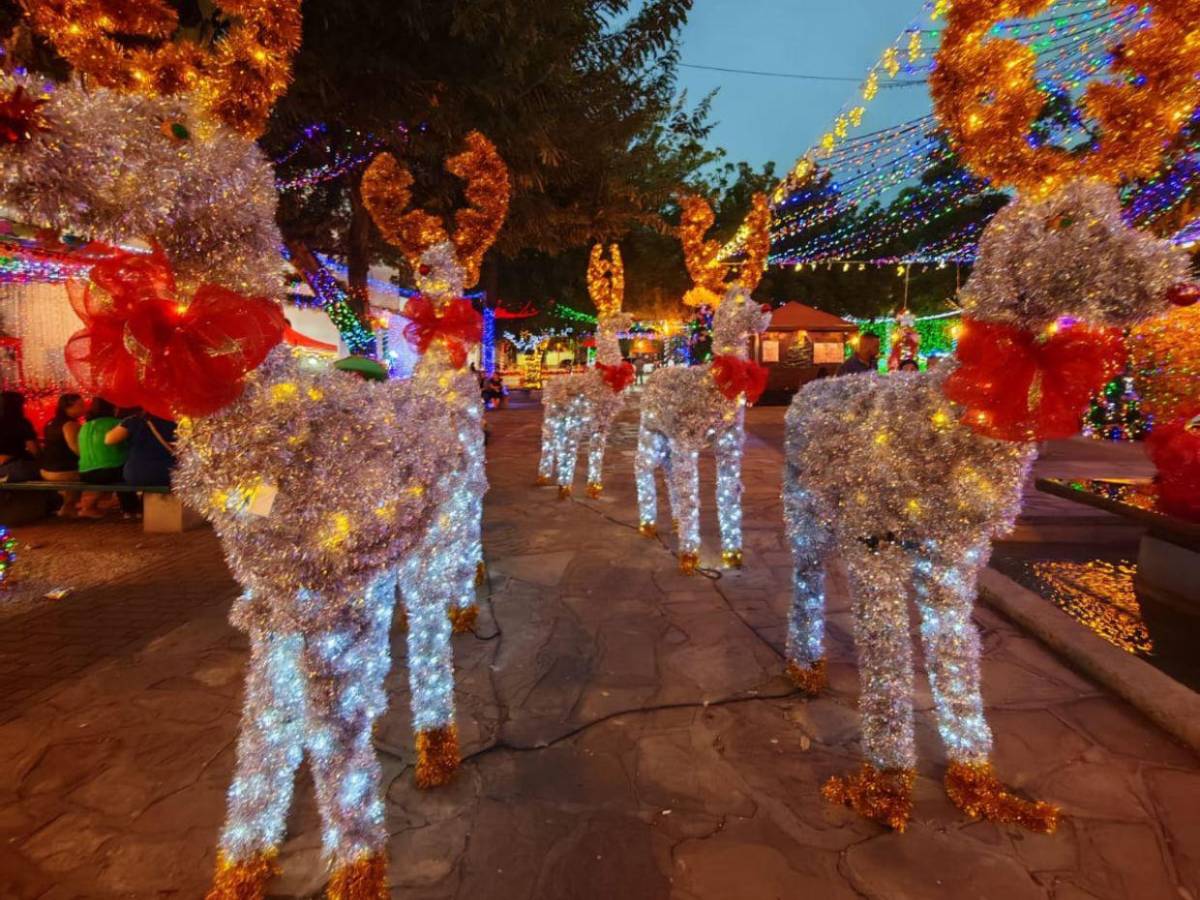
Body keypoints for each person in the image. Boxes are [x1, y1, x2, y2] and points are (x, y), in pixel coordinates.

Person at [78, 398, 137, 517]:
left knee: (118, 472)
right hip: (109, 471)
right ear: (113, 408)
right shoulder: (117, 424)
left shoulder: (85, 426)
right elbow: (129, 445)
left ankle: (129, 509)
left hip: (85, 473)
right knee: (126, 473)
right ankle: (131, 509)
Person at [40, 393, 86, 516]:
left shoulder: (50, 423)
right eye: (80, 405)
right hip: (62, 471)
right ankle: (70, 506)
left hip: (46, 469)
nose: (84, 408)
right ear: (67, 408)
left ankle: (68, 506)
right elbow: (76, 449)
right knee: (89, 473)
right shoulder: (70, 425)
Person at [105, 410, 177, 487]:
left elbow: (109, 439)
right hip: (168, 473)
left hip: (137, 473)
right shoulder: (178, 422)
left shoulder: (135, 420)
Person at [0, 391, 40, 483]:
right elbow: (34, 450)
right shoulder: (21, 423)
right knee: (49, 470)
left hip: (3, 466)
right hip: (15, 467)